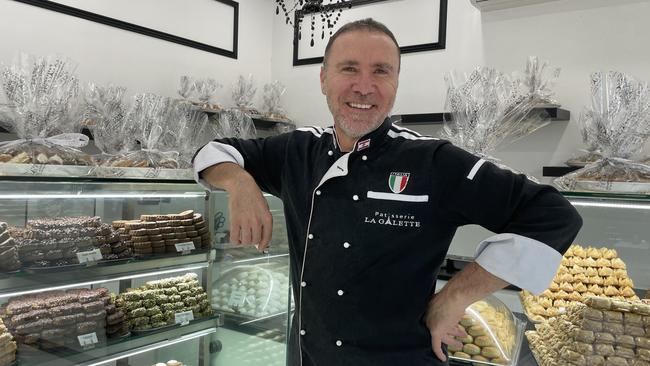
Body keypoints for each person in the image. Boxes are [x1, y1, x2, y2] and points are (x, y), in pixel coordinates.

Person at [193, 18, 582, 366]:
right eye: (349, 69)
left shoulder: (433, 161)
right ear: (324, 78)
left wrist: (455, 297)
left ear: (396, 83)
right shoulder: (296, 151)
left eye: (381, 71)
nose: (365, 87)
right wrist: (240, 182)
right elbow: (213, 152)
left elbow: (553, 214)